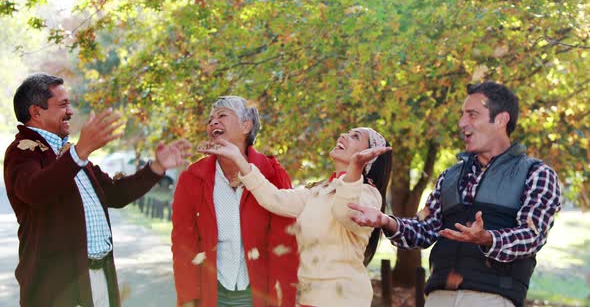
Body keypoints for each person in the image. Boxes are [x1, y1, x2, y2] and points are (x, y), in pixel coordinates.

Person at [349, 81, 561, 307]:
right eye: (462, 115)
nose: (461, 123)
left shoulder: (536, 174)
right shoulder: (449, 177)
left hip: (492, 298)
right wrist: (387, 222)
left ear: (501, 120)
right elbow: (425, 231)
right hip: (438, 296)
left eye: (472, 114)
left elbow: (532, 235)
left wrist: (487, 238)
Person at [4, 73, 192, 307]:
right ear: (36, 112)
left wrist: (156, 167)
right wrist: (80, 152)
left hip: (99, 276)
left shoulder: (70, 153)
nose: (70, 112)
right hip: (57, 289)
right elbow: (34, 191)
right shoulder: (22, 151)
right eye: (63, 104)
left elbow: (115, 194)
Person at [200, 125, 393, 307]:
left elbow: (344, 213)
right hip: (311, 298)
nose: (343, 136)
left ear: (369, 158)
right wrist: (238, 158)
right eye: (347, 132)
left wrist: (353, 172)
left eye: (355, 136)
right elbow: (274, 199)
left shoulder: (368, 194)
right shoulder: (320, 191)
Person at [171, 96, 299, 307]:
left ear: (246, 126)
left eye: (222, 115)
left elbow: (285, 245)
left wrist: (285, 300)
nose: (213, 122)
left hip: (258, 296)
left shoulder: (273, 174)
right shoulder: (192, 178)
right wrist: (187, 299)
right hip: (212, 295)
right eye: (210, 119)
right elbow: (183, 243)